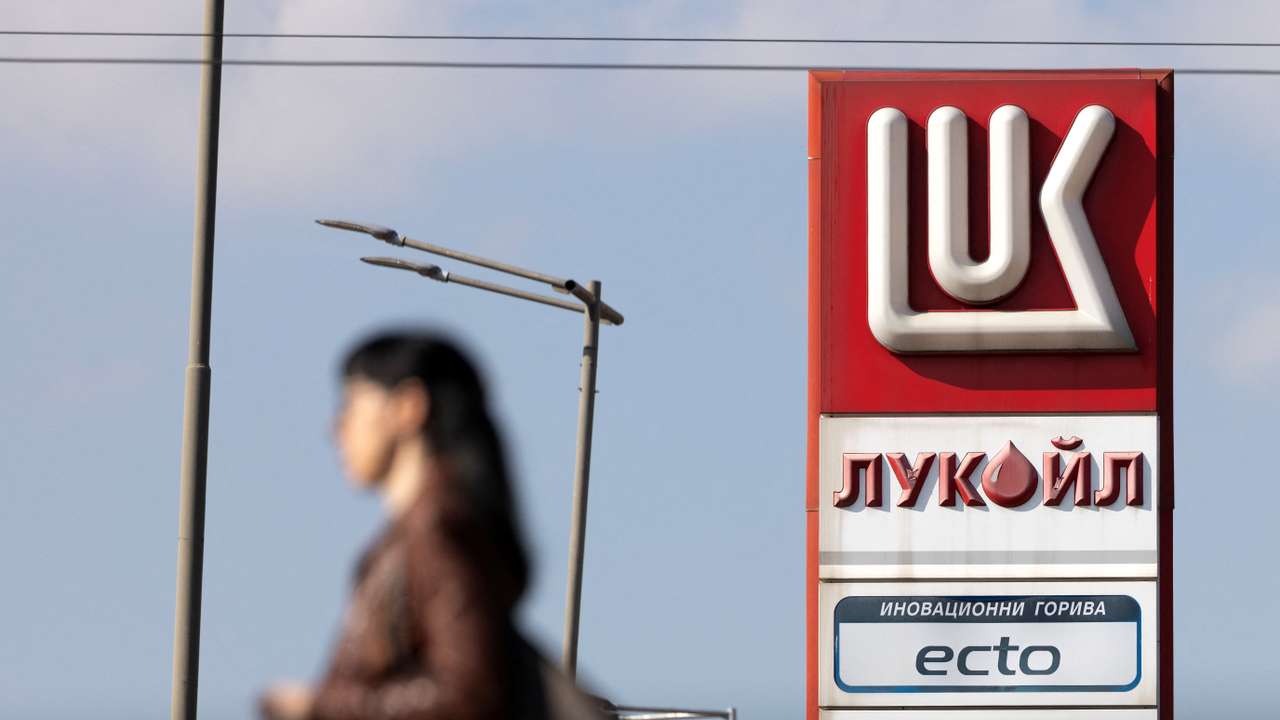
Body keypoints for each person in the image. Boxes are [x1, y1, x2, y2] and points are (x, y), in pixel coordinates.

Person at [259, 331, 604, 720]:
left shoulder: (436, 528)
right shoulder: (421, 530)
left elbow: (468, 694)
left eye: (352, 403)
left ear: (408, 406)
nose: (336, 428)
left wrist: (319, 706)